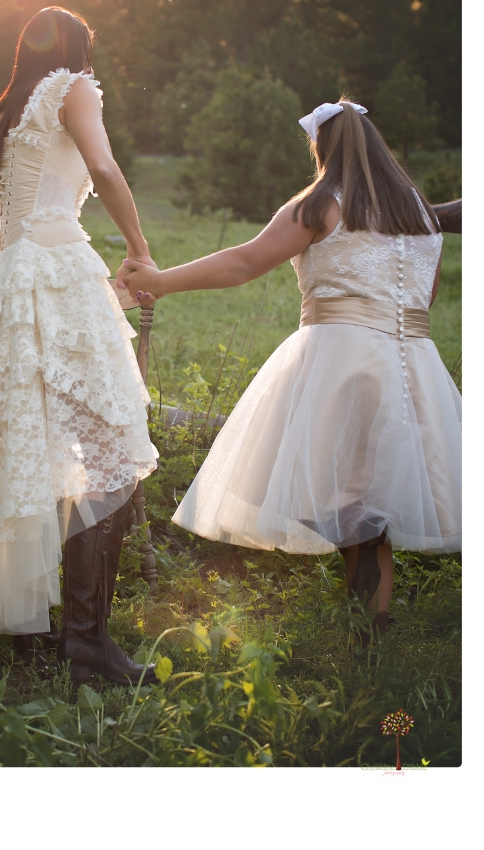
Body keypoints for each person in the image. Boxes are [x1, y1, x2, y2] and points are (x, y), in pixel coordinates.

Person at [119, 99, 461, 638]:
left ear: (323, 149)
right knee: (368, 503)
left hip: (343, 360)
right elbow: (428, 295)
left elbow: (245, 262)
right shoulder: (419, 215)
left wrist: (158, 282)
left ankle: (367, 634)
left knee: (346, 501)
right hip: (412, 364)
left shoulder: (322, 203)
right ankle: (372, 630)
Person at [0, 7, 159, 685]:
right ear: (78, 50)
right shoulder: (73, 86)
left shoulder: (3, 112)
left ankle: (41, 629)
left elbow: (1, 210)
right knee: (107, 449)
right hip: (51, 275)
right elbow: (105, 167)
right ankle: (87, 645)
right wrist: (141, 251)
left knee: (26, 446)